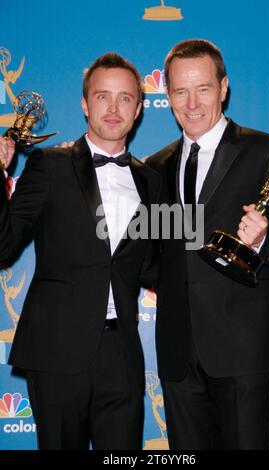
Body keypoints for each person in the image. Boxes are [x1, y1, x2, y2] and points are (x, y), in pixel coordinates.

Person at [0, 52, 161, 450]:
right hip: (55, 351)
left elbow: (155, 267)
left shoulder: (151, 181)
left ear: (139, 109)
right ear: (85, 104)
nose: (113, 107)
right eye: (102, 96)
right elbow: (3, 245)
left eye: (125, 98)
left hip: (122, 355)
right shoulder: (48, 166)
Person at [146, 39, 269, 450]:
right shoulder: (156, 167)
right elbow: (150, 253)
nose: (192, 103)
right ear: (168, 95)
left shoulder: (268, 152)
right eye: (180, 91)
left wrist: (265, 238)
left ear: (224, 87)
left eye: (203, 89)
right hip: (179, 353)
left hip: (243, 350)